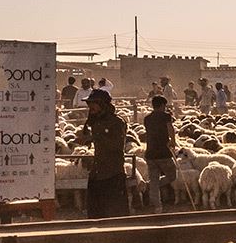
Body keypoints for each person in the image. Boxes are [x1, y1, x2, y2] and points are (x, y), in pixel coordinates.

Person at [75, 89, 129, 219]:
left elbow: (116, 145)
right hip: (98, 173)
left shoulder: (116, 122)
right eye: (89, 104)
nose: (90, 107)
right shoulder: (95, 122)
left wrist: (95, 137)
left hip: (113, 173)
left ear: (103, 104)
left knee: (115, 216)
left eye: (94, 103)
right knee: (95, 215)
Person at [142, 95, 177, 213]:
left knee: (154, 180)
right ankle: (152, 187)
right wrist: (173, 141)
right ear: (162, 105)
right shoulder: (166, 116)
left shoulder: (147, 118)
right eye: (165, 106)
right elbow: (170, 128)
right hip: (164, 153)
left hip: (150, 153)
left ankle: (157, 206)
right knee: (172, 175)